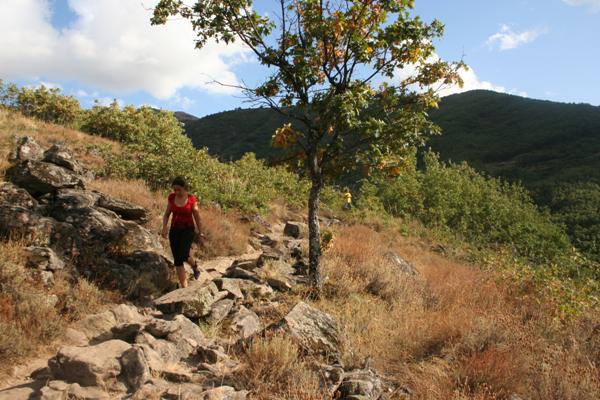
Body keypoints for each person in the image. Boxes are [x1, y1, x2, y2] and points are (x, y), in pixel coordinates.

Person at [161, 176, 203, 288]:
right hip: (174, 230)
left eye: (179, 189)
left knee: (183, 254)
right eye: (175, 190)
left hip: (188, 230)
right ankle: (184, 287)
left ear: (184, 188)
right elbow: (166, 214)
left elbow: (197, 216)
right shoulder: (172, 197)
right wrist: (164, 228)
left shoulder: (191, 199)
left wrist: (200, 232)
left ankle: (194, 266)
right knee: (177, 259)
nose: (177, 192)